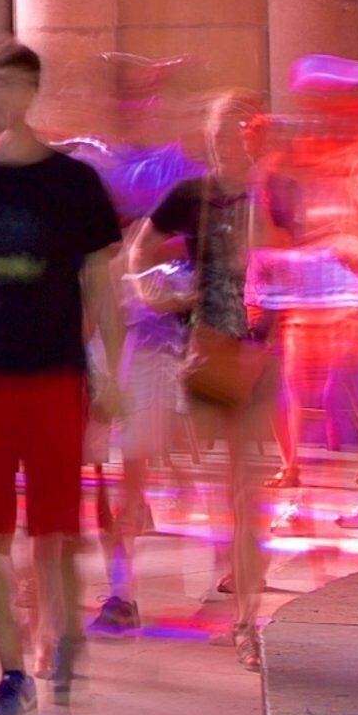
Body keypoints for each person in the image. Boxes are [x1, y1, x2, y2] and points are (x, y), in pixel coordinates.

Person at [0, 39, 126, 715]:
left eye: (3, 82)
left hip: (53, 374)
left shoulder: (73, 182)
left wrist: (111, 373)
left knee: (55, 530)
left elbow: (99, 284)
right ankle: (12, 673)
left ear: (29, 92)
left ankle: (63, 643)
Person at [141, 91, 275, 665]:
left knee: (245, 487)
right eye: (222, 133)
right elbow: (139, 252)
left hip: (260, 350)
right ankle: (241, 577)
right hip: (208, 348)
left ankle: (247, 619)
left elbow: (290, 260)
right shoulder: (189, 195)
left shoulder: (273, 194)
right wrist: (163, 294)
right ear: (209, 135)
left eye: (242, 133)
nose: (230, 144)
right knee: (228, 488)